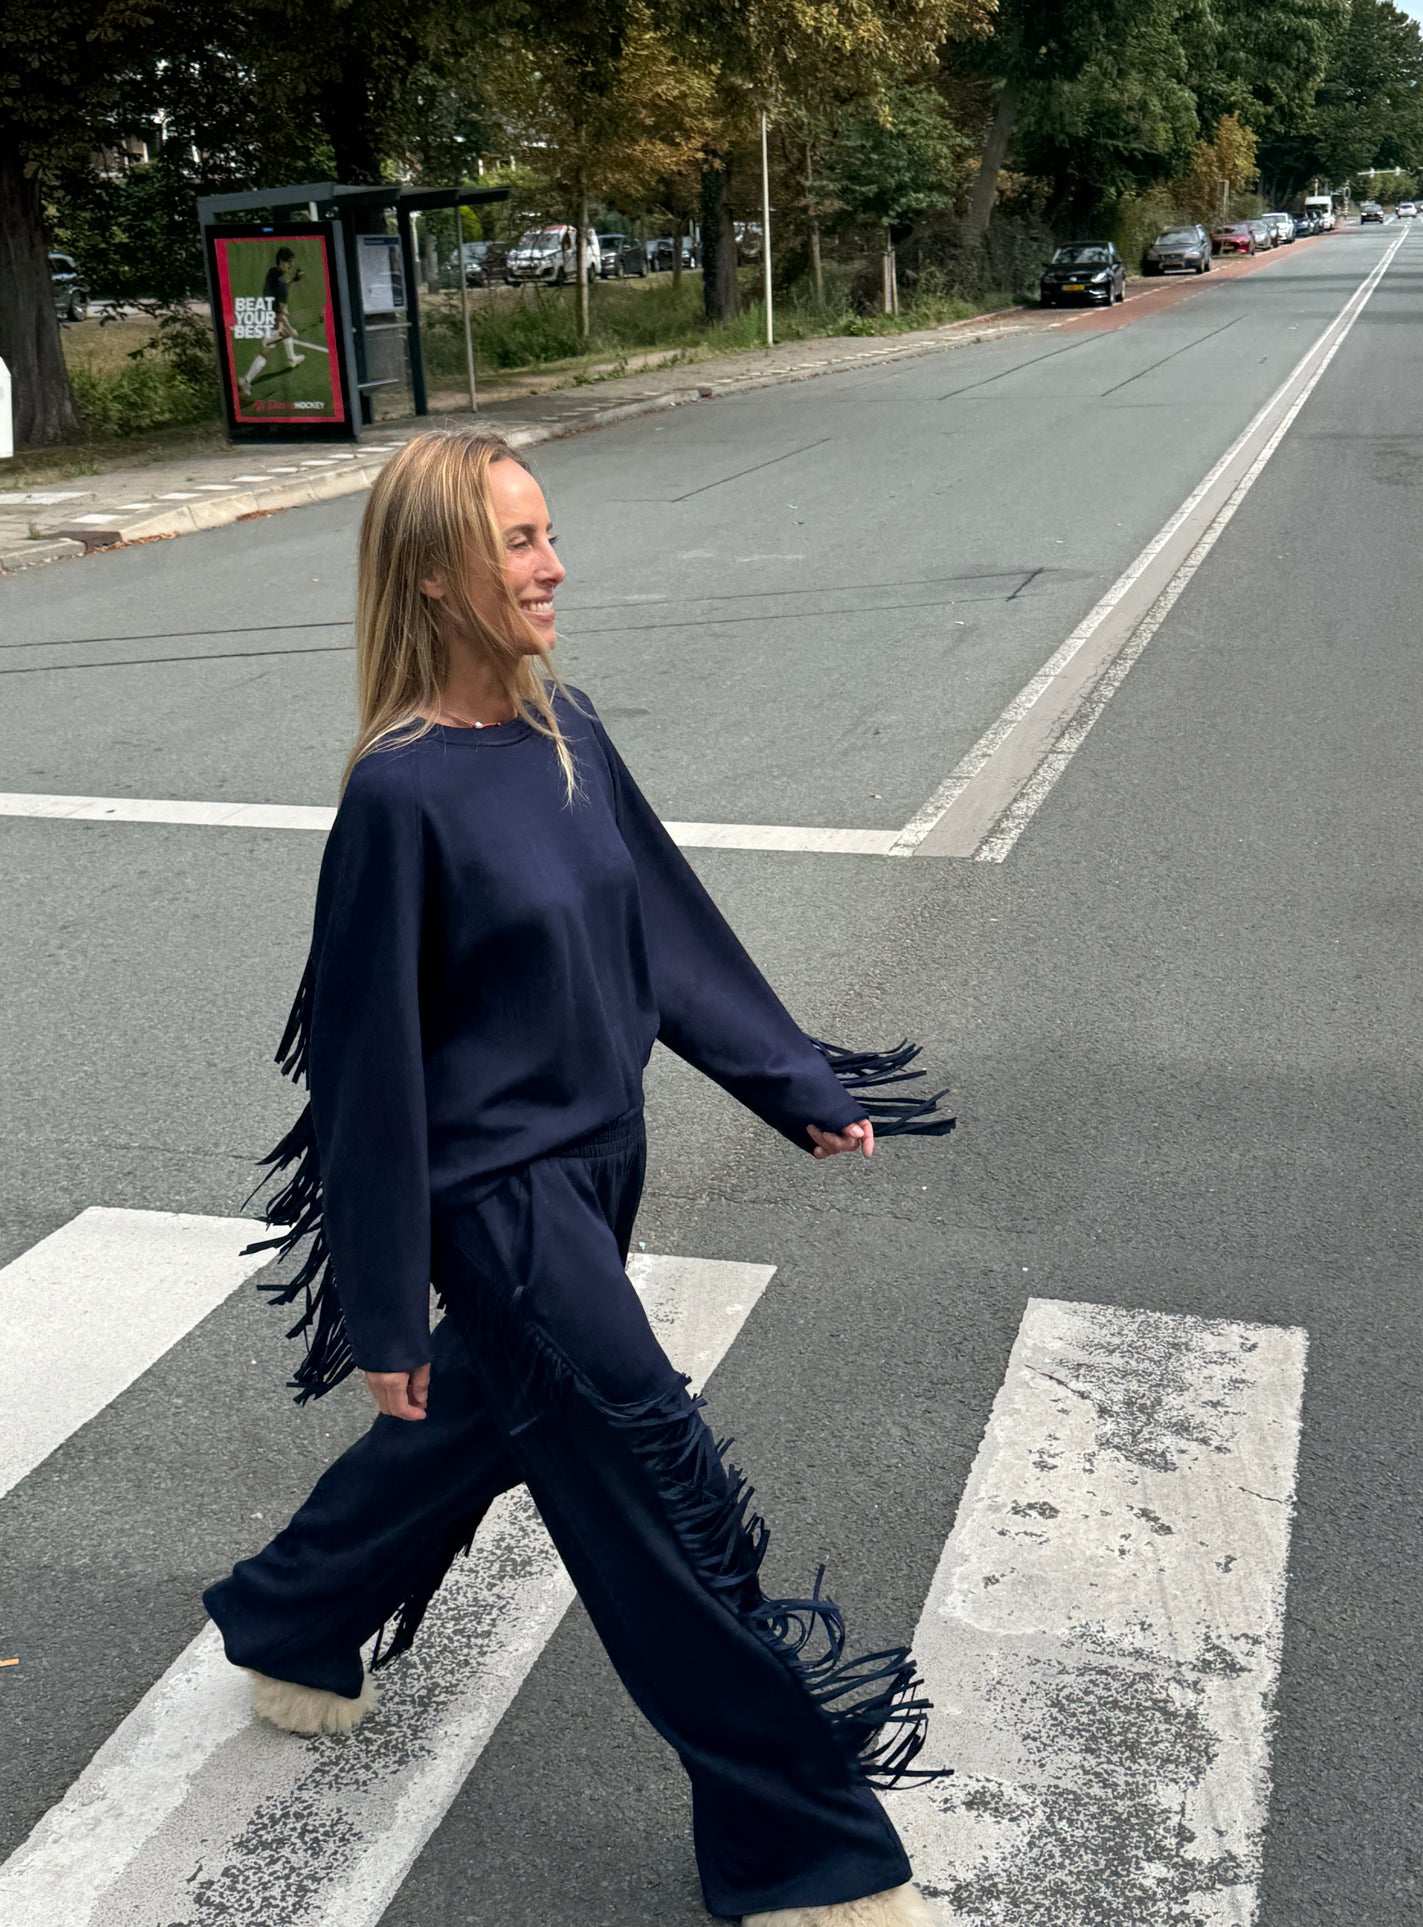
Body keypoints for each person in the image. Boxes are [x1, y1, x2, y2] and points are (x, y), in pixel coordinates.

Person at [203, 425, 954, 1926]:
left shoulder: (569, 729)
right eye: (520, 542)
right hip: (503, 1205)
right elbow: (364, 1064)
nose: (554, 567)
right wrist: (385, 1306)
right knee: (661, 1509)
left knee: (489, 1419)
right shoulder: (399, 795)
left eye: (548, 535)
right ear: (435, 574)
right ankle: (800, 1851)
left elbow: (666, 931)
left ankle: (293, 1611)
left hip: (599, 1169)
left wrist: (790, 1083)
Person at [238, 245, 305, 401]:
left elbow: (281, 285)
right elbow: (281, 314)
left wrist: (293, 280)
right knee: (266, 352)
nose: (291, 266)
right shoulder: (282, 286)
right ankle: (245, 381)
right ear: (282, 262)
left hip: (265, 313)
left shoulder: (272, 272)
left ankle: (292, 358)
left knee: (284, 336)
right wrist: (291, 330)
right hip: (273, 321)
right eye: (289, 263)